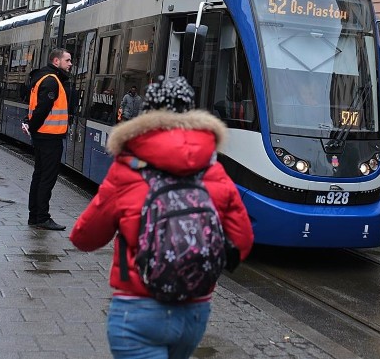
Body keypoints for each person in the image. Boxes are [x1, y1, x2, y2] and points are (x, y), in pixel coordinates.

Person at [69, 76, 254, 359]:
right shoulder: (214, 170)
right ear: (191, 112)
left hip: (137, 309)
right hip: (195, 311)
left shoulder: (127, 170)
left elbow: (84, 238)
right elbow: (242, 241)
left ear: (148, 112)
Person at [23, 48, 72, 230]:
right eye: (67, 60)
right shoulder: (52, 81)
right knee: (47, 178)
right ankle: (42, 217)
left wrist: (31, 126)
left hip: (43, 136)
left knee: (39, 176)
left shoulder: (42, 78)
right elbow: (42, 109)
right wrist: (33, 127)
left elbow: (35, 107)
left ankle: (34, 216)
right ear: (56, 61)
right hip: (50, 136)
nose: (70, 64)